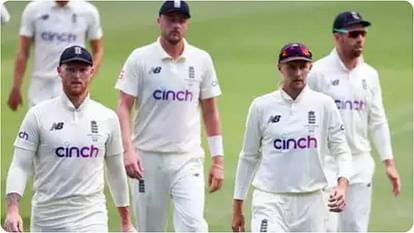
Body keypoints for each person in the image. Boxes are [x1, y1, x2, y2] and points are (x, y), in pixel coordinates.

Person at [115, 0, 224, 231]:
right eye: (171, 19)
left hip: (187, 157)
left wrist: (218, 159)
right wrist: (128, 150)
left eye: (181, 20)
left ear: (187, 24)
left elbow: (211, 111)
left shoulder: (201, 60)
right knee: (150, 228)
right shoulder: (140, 58)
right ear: (159, 21)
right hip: (147, 158)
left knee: (194, 226)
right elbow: (124, 106)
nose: (176, 25)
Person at [4, 45, 134, 232]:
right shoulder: (38, 115)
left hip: (91, 219)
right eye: (70, 69)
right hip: (47, 220)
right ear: (59, 71)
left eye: (82, 70)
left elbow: (116, 172)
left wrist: (126, 222)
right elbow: (20, 165)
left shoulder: (107, 117)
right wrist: (13, 209)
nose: (77, 75)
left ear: (92, 71)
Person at [231, 43, 352, 232]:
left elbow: (341, 149)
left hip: (312, 202)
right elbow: (248, 156)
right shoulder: (261, 106)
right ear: (280, 68)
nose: (298, 73)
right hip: (270, 201)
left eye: (303, 67)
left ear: (310, 67)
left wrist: (342, 185)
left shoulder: (324, 105)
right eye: (291, 67)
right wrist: (237, 206)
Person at [307, 11, 401, 232]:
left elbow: (377, 120)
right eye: (353, 33)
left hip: (359, 162)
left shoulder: (369, 75)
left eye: (363, 33)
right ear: (337, 37)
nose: (359, 39)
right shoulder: (318, 73)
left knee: (356, 227)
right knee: (326, 227)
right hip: (326, 162)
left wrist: (388, 162)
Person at [8, 0, 103, 111]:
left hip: (70, 83)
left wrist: (85, 79)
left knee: (70, 126)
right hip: (40, 85)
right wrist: (16, 86)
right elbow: (23, 51)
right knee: (39, 125)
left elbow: (98, 50)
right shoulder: (33, 10)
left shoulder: (88, 11)